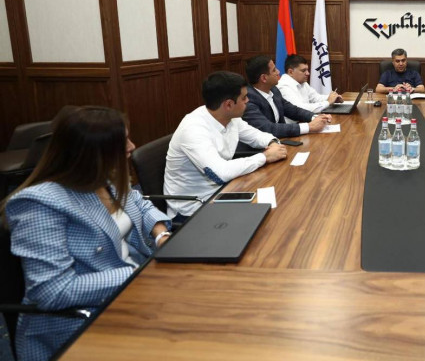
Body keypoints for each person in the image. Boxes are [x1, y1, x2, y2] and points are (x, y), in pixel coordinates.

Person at [1, 106, 172, 361]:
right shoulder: (38, 204)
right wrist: (140, 273)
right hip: (82, 320)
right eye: (122, 142)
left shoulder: (103, 179)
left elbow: (140, 203)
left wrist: (160, 235)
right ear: (93, 152)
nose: (132, 147)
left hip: (134, 293)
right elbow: (52, 291)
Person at [164, 71, 287, 220]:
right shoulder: (193, 129)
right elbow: (220, 174)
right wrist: (265, 157)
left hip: (225, 190)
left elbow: (256, 136)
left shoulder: (230, 117)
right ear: (228, 104)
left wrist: (272, 143)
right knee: (270, 221)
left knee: (280, 202)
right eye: (244, 98)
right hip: (194, 208)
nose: (248, 100)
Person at [243, 56, 332, 137]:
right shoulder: (248, 99)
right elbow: (268, 128)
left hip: (280, 141)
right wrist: (309, 127)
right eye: (274, 70)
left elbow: (292, 110)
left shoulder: (274, 90)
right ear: (264, 78)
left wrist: (315, 117)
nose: (278, 72)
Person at [277, 54, 343, 114]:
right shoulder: (284, 86)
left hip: (304, 120)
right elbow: (300, 109)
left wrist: (332, 98)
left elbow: (316, 98)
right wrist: (328, 102)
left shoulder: (302, 82)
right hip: (294, 122)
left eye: (307, 70)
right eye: (303, 71)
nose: (308, 73)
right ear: (291, 72)